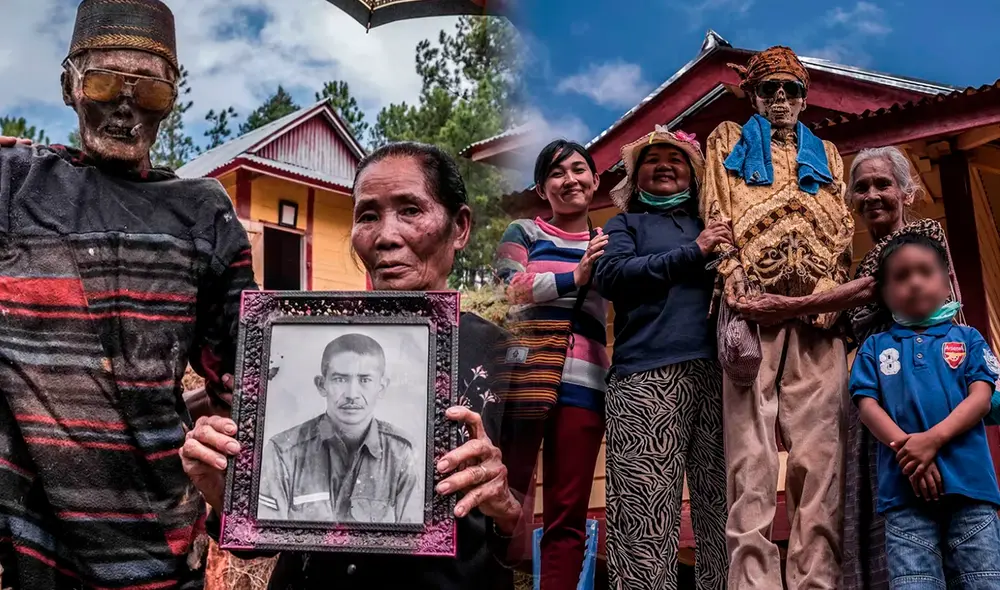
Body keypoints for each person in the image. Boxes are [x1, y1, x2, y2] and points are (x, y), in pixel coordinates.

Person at [181, 141, 529, 590]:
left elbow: (532, 545)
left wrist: (501, 501)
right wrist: (222, 491)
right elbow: (258, 542)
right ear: (321, 381)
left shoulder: (505, 358)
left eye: (410, 210)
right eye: (367, 216)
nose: (386, 235)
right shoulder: (292, 342)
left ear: (459, 227)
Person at [0, 1, 256, 587]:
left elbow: (246, 385)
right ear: (68, 85)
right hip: (33, 550)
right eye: (105, 82)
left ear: (173, 97)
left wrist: (234, 501)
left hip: (160, 549)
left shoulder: (202, 213)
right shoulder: (14, 183)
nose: (125, 106)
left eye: (151, 93)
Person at [732, 146, 964, 590]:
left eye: (883, 184)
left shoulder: (923, 237)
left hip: (927, 393)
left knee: (939, 511)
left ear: (907, 192)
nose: (872, 195)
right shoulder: (851, 267)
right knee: (882, 516)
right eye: (861, 188)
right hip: (878, 404)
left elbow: (873, 287)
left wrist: (788, 304)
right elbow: (830, 318)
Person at [701, 46, 855, 590]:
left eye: (791, 89)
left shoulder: (828, 153)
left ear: (805, 96)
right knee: (751, 463)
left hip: (818, 316)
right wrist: (734, 277)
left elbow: (842, 226)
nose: (782, 99)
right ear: (754, 96)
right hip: (752, 315)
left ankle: (819, 583)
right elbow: (717, 212)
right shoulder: (727, 140)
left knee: (822, 463)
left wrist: (830, 290)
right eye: (770, 90)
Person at [593, 126, 731, 590]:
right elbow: (613, 276)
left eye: (676, 158)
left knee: (722, 509)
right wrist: (694, 253)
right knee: (643, 512)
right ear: (636, 178)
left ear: (694, 175)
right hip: (644, 377)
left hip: (718, 374)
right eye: (652, 160)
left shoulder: (713, 222)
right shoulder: (624, 225)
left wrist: (708, 243)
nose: (664, 165)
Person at [849, 233, 1000, 589]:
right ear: (884, 295)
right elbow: (867, 405)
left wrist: (931, 441)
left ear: (947, 283)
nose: (915, 282)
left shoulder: (968, 338)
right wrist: (908, 450)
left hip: (971, 491)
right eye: (901, 277)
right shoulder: (874, 347)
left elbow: (981, 398)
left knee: (983, 581)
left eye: (925, 272)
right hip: (904, 496)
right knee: (914, 583)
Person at [493, 140, 609, 590]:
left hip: (586, 386)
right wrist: (572, 278)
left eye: (579, 169)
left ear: (595, 180)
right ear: (543, 188)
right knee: (505, 499)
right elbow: (507, 286)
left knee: (567, 512)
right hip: (523, 379)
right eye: (557, 173)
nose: (570, 180)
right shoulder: (523, 231)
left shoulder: (609, 244)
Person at [257, 333, 421, 524]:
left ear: (382, 387)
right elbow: (261, 538)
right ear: (321, 385)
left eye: (365, 380)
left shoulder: (402, 454)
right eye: (340, 379)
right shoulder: (283, 452)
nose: (352, 394)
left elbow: (417, 542)